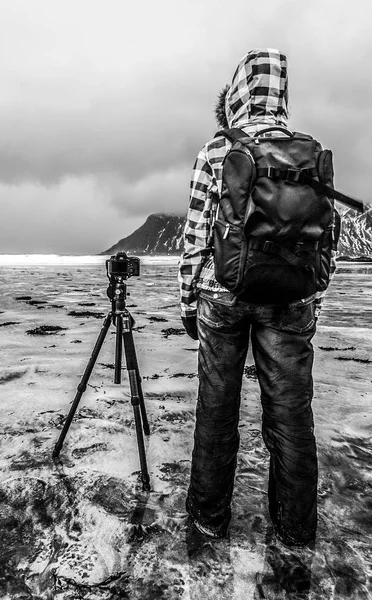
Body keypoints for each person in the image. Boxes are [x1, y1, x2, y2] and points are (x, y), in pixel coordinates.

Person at [178, 48, 333, 547]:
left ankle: (208, 520)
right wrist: (313, 299)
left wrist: (187, 297)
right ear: (282, 91)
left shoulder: (217, 150)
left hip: (223, 294)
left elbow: (197, 233)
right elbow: (320, 237)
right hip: (291, 299)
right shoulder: (309, 152)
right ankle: (294, 531)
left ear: (240, 88)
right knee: (291, 415)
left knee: (217, 410)